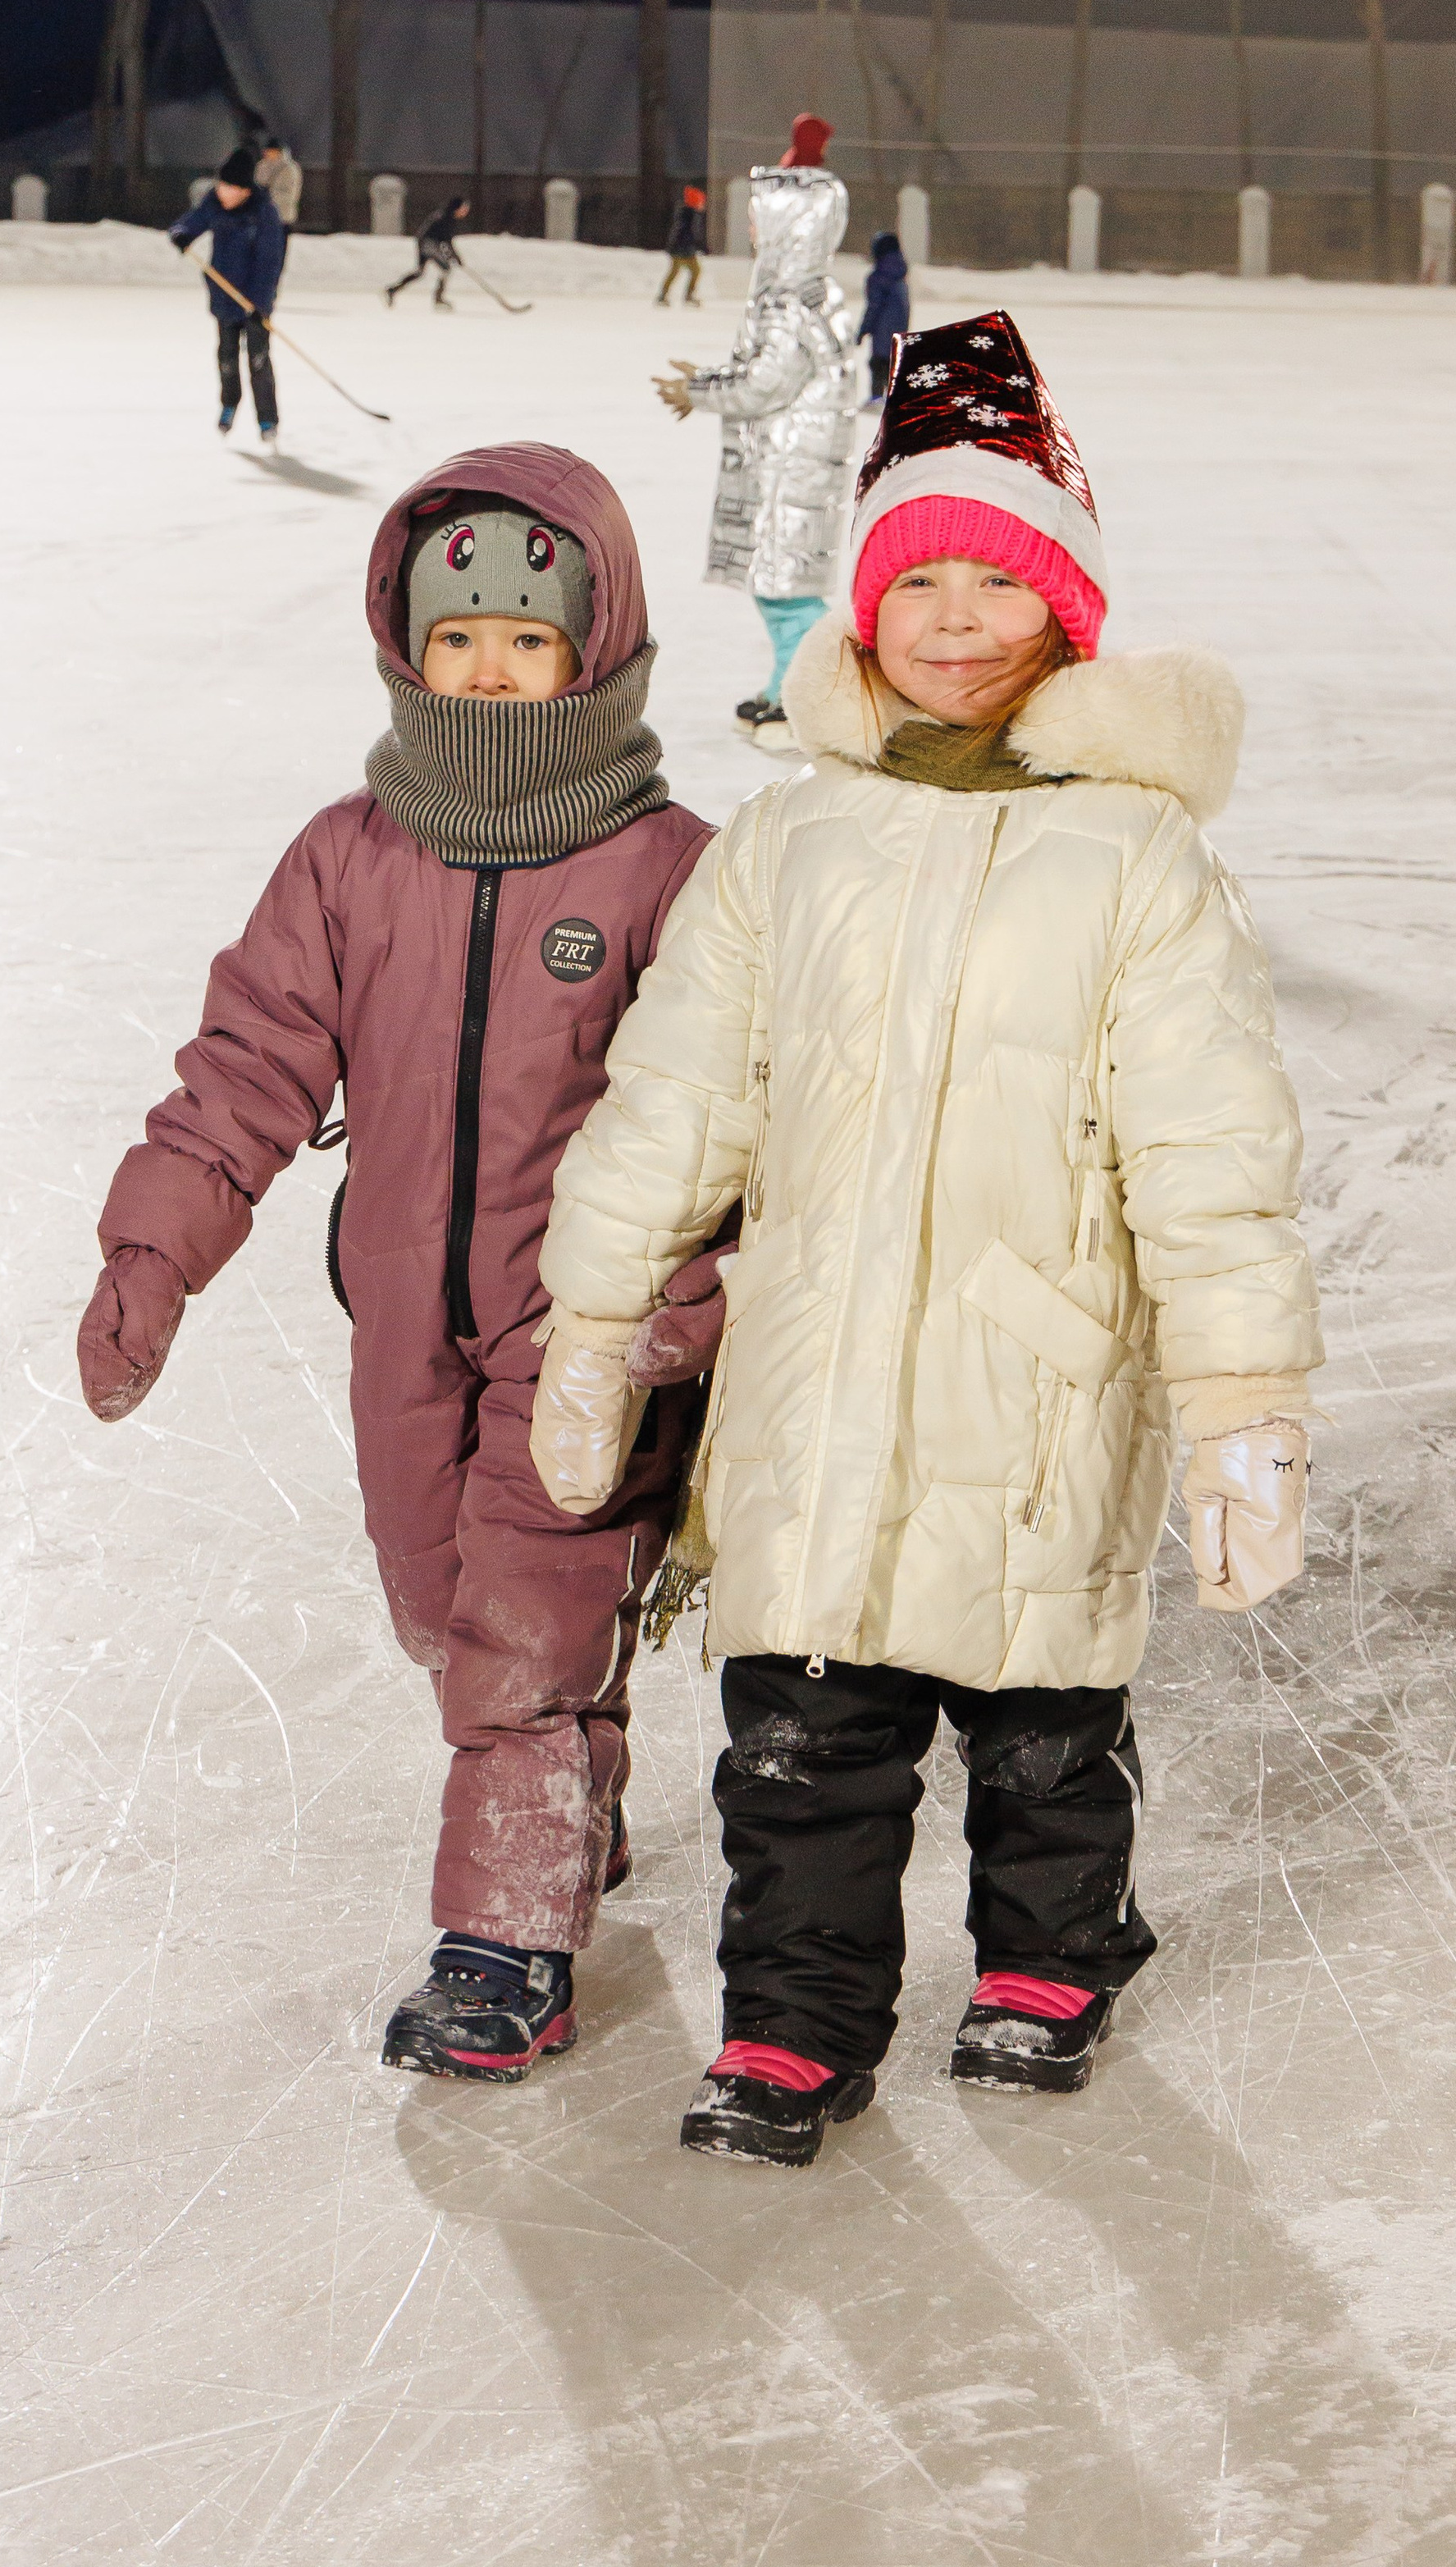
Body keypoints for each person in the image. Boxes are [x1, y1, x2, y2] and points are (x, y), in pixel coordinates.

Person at [536, 309, 1323, 2168]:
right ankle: (795, 2022)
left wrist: (1239, 1395)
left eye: (999, 581)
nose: (954, 619)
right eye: (918, 581)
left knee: (1043, 1718)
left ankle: (1054, 1946)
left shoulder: (1136, 859)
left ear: (1065, 613)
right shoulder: (787, 845)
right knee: (797, 1739)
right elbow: (677, 1091)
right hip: (808, 1388)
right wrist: (591, 1310)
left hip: (1039, 1375)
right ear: (860, 610)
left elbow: (1209, 1145)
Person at [76, 449, 716, 2080]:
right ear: (403, 648)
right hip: (401, 1330)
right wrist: (157, 1249)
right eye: (457, 640)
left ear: (597, 642)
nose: (489, 669)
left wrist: (684, 1312)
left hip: (587, 1331)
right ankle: (563, 1801)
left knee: (519, 1618)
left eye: (525, 637)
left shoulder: (665, 867)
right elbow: (245, 1067)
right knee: (446, 1609)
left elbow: (737, 1113)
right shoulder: (347, 858)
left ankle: (507, 1942)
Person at [654, 153, 857, 747]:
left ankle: (812, 694)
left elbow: (767, 381)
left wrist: (698, 390)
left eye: (758, 218)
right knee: (782, 586)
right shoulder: (808, 291)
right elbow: (769, 369)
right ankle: (786, 687)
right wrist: (714, 375)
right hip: (794, 462)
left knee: (785, 590)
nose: (749, 230)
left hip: (787, 469)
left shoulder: (788, 299)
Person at [169, 149, 287, 444]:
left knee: (259, 360)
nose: (222, 192)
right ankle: (229, 404)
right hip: (223, 295)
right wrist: (181, 234)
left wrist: (260, 305)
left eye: (229, 188)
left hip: (254, 301)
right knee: (226, 357)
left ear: (245, 190)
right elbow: (191, 221)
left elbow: (269, 264)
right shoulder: (215, 204)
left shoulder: (264, 213)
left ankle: (267, 420)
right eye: (221, 186)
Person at [385, 195, 472, 307]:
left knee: (419, 272)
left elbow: (443, 241)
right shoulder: (446, 219)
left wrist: (453, 257)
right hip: (429, 244)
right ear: (457, 208)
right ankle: (438, 299)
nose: (465, 212)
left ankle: (392, 290)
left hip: (424, 243)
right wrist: (455, 257)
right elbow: (446, 242)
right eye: (464, 209)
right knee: (446, 269)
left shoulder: (445, 216)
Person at [858, 228, 910, 403]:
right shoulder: (901, 275)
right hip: (898, 331)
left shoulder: (878, 278)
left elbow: (874, 307)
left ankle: (876, 398)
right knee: (893, 366)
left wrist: (863, 330)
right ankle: (893, 400)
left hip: (881, 331)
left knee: (878, 365)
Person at [656, 185, 707, 308]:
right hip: (682, 249)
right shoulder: (690, 215)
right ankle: (686, 296)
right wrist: (694, 246)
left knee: (676, 271)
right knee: (693, 270)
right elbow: (688, 234)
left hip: (680, 248)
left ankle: (664, 295)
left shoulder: (688, 214)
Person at [256, 137, 304, 227]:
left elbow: (291, 193)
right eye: (266, 151)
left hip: (282, 215)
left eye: (271, 151)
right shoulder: (261, 166)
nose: (267, 153)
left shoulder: (290, 169)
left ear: (279, 152)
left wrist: (269, 197)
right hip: (262, 214)